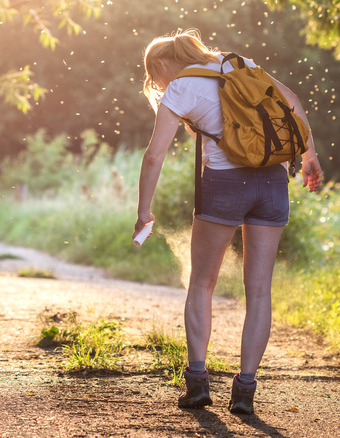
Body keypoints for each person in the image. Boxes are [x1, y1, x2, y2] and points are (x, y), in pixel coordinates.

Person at [133, 29, 323, 415]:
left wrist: (143, 210)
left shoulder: (181, 87)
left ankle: (198, 383)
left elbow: (155, 156)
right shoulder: (239, 64)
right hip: (272, 181)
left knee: (202, 282)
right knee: (259, 291)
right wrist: (309, 156)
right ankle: (245, 390)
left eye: (155, 78)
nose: (158, 85)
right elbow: (293, 101)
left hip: (223, 184)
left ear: (160, 66)